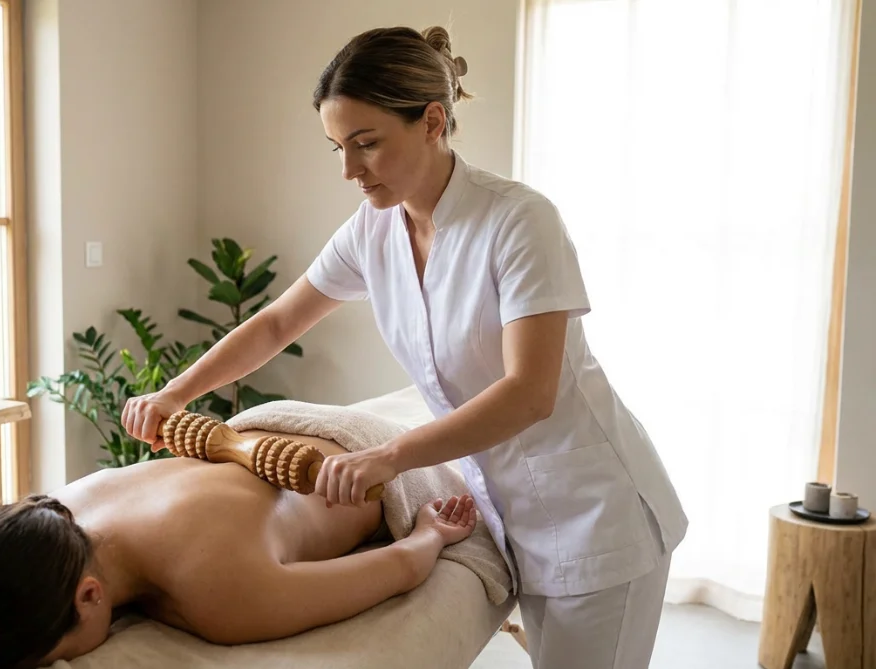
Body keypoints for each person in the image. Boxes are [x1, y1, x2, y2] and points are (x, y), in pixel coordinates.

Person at [120, 25, 689, 669]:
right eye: (337, 146)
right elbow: (278, 324)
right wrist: (174, 394)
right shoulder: (374, 229)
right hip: (514, 508)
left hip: (594, 510)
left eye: (366, 144)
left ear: (432, 121)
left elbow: (529, 392)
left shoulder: (519, 222)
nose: (349, 170)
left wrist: (388, 459)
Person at [0, 424, 478, 669]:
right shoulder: (69, 502)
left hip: (359, 457)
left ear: (90, 596)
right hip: (264, 430)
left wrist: (430, 532)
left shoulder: (218, 592)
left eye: (52, 659)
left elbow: (401, 568)